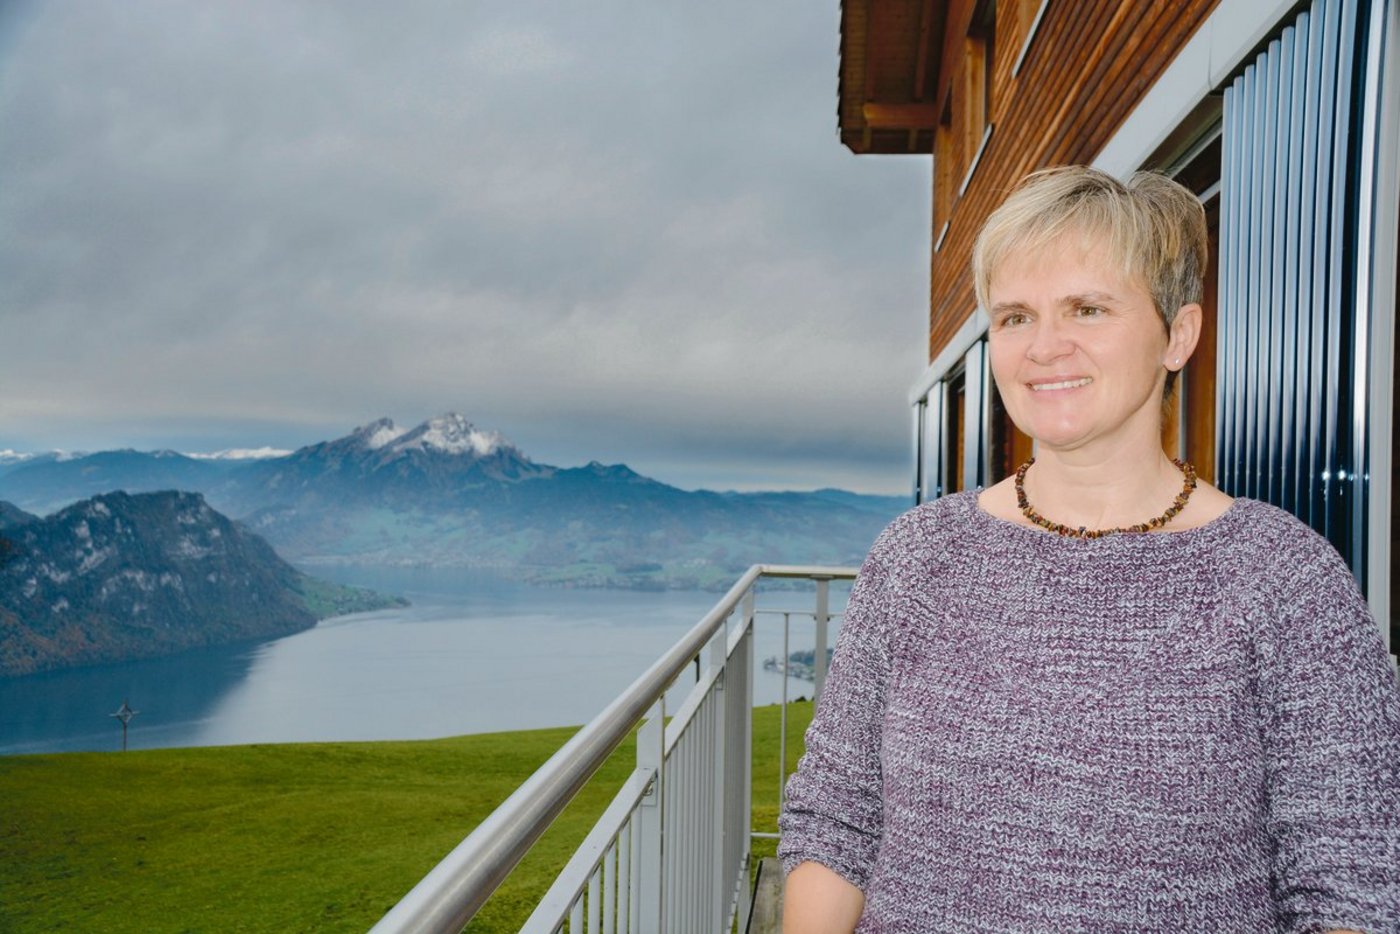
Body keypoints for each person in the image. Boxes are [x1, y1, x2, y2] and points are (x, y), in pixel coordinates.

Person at [777, 166, 1400, 932]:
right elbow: (837, 818)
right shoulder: (918, 557)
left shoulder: (1283, 577)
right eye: (1015, 317)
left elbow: (1354, 882)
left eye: (1088, 309)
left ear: (1178, 335)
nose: (1045, 347)